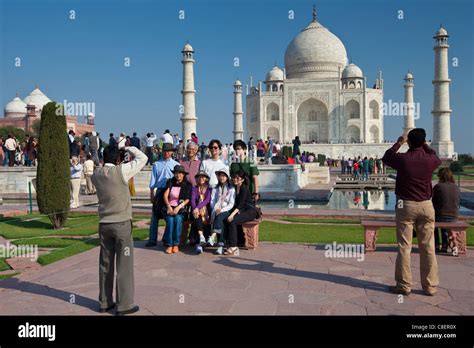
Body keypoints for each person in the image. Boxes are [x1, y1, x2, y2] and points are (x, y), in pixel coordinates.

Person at [382, 128, 441, 296]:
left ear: (408, 142)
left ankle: (404, 286)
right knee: (428, 247)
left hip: (405, 205)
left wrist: (399, 142)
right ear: (423, 142)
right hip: (426, 205)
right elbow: (436, 157)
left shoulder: (404, 159)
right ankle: (430, 287)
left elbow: (387, 156)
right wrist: (426, 146)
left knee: (404, 247)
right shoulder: (430, 159)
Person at [91, 145, 147, 315]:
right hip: (121, 223)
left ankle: (104, 302)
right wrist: (129, 148)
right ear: (117, 159)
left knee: (105, 264)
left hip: (104, 223)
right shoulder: (122, 171)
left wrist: (118, 156)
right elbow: (143, 158)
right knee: (124, 265)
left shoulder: (96, 175)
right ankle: (124, 305)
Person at [146, 143, 180, 247]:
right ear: (162, 152)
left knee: (169, 216)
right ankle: (152, 239)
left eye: (169, 151)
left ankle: (166, 238)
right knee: (155, 216)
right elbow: (153, 180)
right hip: (160, 191)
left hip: (171, 192)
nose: (167, 153)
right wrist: (152, 194)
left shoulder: (175, 164)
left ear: (172, 152)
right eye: (165, 151)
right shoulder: (156, 164)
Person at [223, 170, 258, 256]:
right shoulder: (235, 187)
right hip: (242, 210)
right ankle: (228, 243)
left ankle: (234, 248)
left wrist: (232, 215)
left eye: (238, 178)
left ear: (242, 180)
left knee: (233, 221)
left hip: (250, 211)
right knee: (225, 219)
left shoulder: (244, 188)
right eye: (234, 177)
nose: (235, 179)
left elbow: (241, 204)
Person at [162, 165, 192, 254]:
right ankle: (169, 244)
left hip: (181, 209)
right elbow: (165, 195)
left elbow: (187, 199)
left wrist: (178, 207)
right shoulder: (170, 182)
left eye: (180, 173)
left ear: (183, 174)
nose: (178, 175)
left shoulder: (187, 185)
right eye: (176, 173)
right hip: (169, 208)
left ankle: (175, 244)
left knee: (178, 219)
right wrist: (168, 207)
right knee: (170, 221)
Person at [432, 167, 460, 253]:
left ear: (440, 176)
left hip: (441, 216)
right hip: (454, 216)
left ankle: (436, 244)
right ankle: (444, 244)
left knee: (433, 221)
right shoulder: (456, 187)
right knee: (444, 219)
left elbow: (433, 202)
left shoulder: (438, 187)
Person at [210, 167, 235, 255]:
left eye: (224, 176)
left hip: (226, 210)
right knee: (220, 220)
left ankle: (213, 236)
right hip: (216, 209)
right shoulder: (215, 188)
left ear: (227, 177)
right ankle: (220, 245)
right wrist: (216, 209)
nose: (221, 177)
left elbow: (231, 204)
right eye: (220, 176)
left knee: (219, 216)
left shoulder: (231, 189)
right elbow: (212, 201)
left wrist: (222, 210)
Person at [190, 171, 212, 254]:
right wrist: (195, 209)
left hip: (206, 211)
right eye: (199, 177)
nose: (201, 179)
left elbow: (207, 200)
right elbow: (192, 199)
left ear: (206, 179)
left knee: (202, 223)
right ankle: (200, 239)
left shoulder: (209, 189)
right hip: (195, 211)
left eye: (203, 177)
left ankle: (200, 241)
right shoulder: (194, 188)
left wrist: (197, 208)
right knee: (197, 218)